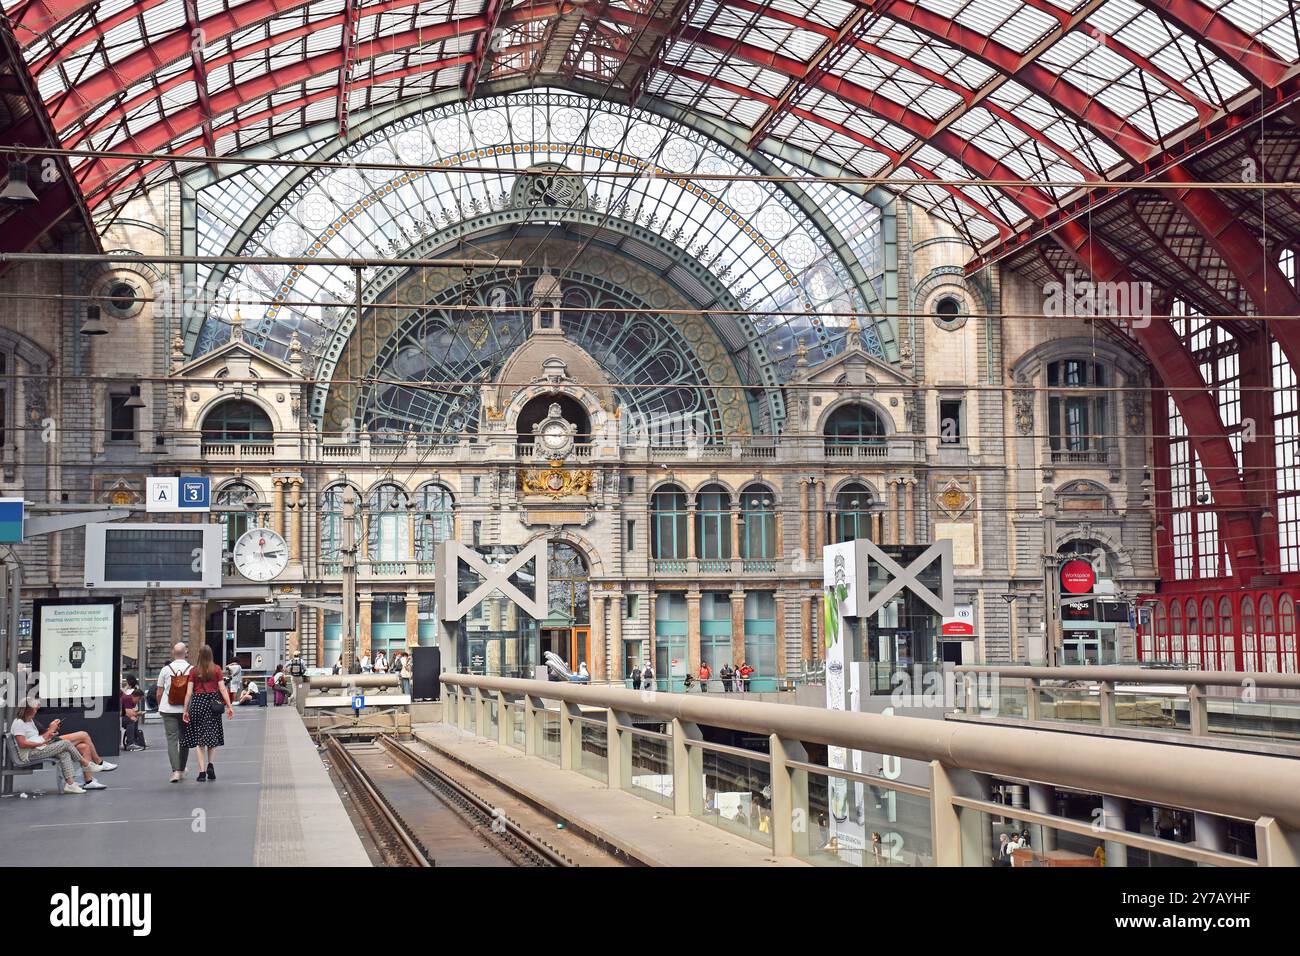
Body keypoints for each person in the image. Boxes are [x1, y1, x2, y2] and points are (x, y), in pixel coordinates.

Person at [9, 699, 106, 793]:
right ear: (28, 710)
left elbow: (34, 737)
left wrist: (47, 737)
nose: (36, 711)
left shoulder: (29, 721)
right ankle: (86, 764)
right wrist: (41, 741)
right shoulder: (18, 723)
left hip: (37, 748)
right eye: (35, 709)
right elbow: (22, 743)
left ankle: (71, 784)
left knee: (64, 753)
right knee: (66, 743)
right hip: (29, 753)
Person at [182, 644, 233, 782]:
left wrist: (185, 710)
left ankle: (201, 772)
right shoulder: (216, 669)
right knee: (212, 736)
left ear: (199, 655)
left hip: (198, 704)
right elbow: (222, 689)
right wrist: (229, 706)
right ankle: (211, 764)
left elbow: (188, 693)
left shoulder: (193, 671)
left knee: (200, 740)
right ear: (211, 655)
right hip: (212, 705)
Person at [156, 642, 193, 783]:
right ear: (186, 653)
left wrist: (161, 705)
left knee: (172, 740)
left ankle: (175, 771)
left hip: (168, 709)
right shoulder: (192, 669)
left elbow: (159, 692)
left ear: (173, 653)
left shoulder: (165, 670)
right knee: (184, 740)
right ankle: (182, 769)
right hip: (185, 710)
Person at [121, 676, 146, 751]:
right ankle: (130, 744)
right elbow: (129, 713)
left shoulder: (129, 699)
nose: (138, 701)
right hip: (117, 718)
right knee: (131, 721)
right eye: (139, 699)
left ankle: (134, 741)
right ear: (135, 696)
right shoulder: (128, 699)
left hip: (120, 716)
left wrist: (135, 714)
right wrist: (138, 713)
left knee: (133, 719)